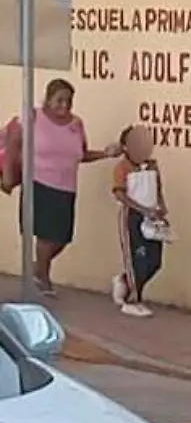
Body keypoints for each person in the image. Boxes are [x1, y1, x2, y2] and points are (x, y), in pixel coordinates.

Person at [4, 79, 121, 296]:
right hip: (38, 182)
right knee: (45, 235)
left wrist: (106, 154)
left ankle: (37, 268)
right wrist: (9, 176)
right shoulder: (32, 116)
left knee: (61, 238)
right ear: (48, 99)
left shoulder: (76, 124)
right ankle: (44, 278)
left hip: (66, 187)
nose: (64, 106)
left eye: (68, 101)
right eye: (59, 100)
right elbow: (13, 143)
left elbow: (81, 155)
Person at [110, 126, 168, 318]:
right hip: (132, 217)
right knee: (137, 260)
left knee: (154, 260)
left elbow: (158, 188)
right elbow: (119, 193)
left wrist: (160, 207)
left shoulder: (152, 165)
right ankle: (133, 299)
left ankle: (125, 282)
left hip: (151, 217)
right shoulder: (122, 168)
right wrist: (141, 209)